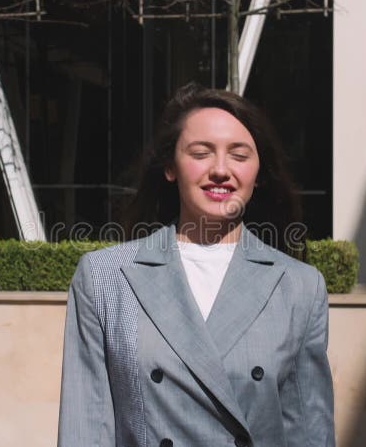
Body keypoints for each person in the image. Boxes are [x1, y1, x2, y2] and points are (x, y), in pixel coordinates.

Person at [58, 83, 334, 447]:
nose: (221, 170)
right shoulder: (105, 277)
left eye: (239, 155)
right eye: (201, 153)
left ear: (259, 172)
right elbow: (86, 429)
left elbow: (309, 433)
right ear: (170, 167)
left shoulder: (300, 286)